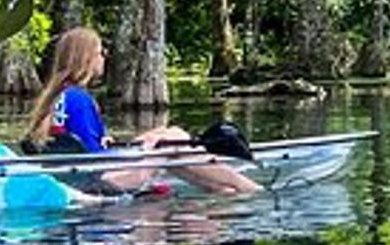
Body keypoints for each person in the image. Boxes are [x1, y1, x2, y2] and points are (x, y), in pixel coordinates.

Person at [26, 27, 259, 195]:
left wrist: (117, 142)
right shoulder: (79, 99)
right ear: (86, 58)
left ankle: (222, 188)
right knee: (173, 142)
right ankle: (248, 189)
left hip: (81, 175)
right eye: (100, 53)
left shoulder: (54, 97)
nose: (104, 58)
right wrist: (144, 149)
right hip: (102, 180)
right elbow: (93, 158)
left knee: (170, 134)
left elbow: (77, 143)